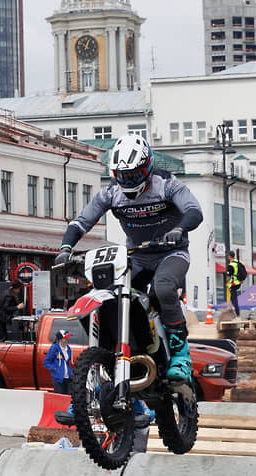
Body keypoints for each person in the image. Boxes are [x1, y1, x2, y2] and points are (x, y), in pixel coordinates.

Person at [54, 134, 203, 382]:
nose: (128, 180)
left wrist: (178, 230)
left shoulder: (167, 184)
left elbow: (194, 210)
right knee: (111, 296)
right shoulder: (110, 194)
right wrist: (65, 249)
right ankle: (121, 353)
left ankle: (180, 356)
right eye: (123, 176)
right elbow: (81, 222)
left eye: (133, 175)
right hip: (136, 257)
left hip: (171, 253)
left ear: (147, 167)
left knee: (163, 289)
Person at [42, 330, 74, 395]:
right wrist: (55, 369)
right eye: (65, 338)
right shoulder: (54, 348)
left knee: (69, 398)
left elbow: (67, 362)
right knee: (60, 398)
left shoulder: (68, 348)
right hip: (58, 378)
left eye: (67, 337)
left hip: (68, 378)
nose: (67, 339)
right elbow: (46, 362)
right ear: (60, 339)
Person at [226, 250, 244, 315]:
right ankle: (235, 310)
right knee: (232, 298)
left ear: (229, 256)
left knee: (234, 299)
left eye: (228, 256)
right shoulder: (238, 263)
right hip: (238, 283)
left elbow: (228, 277)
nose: (227, 257)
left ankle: (237, 314)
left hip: (233, 283)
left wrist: (227, 282)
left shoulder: (231, 265)